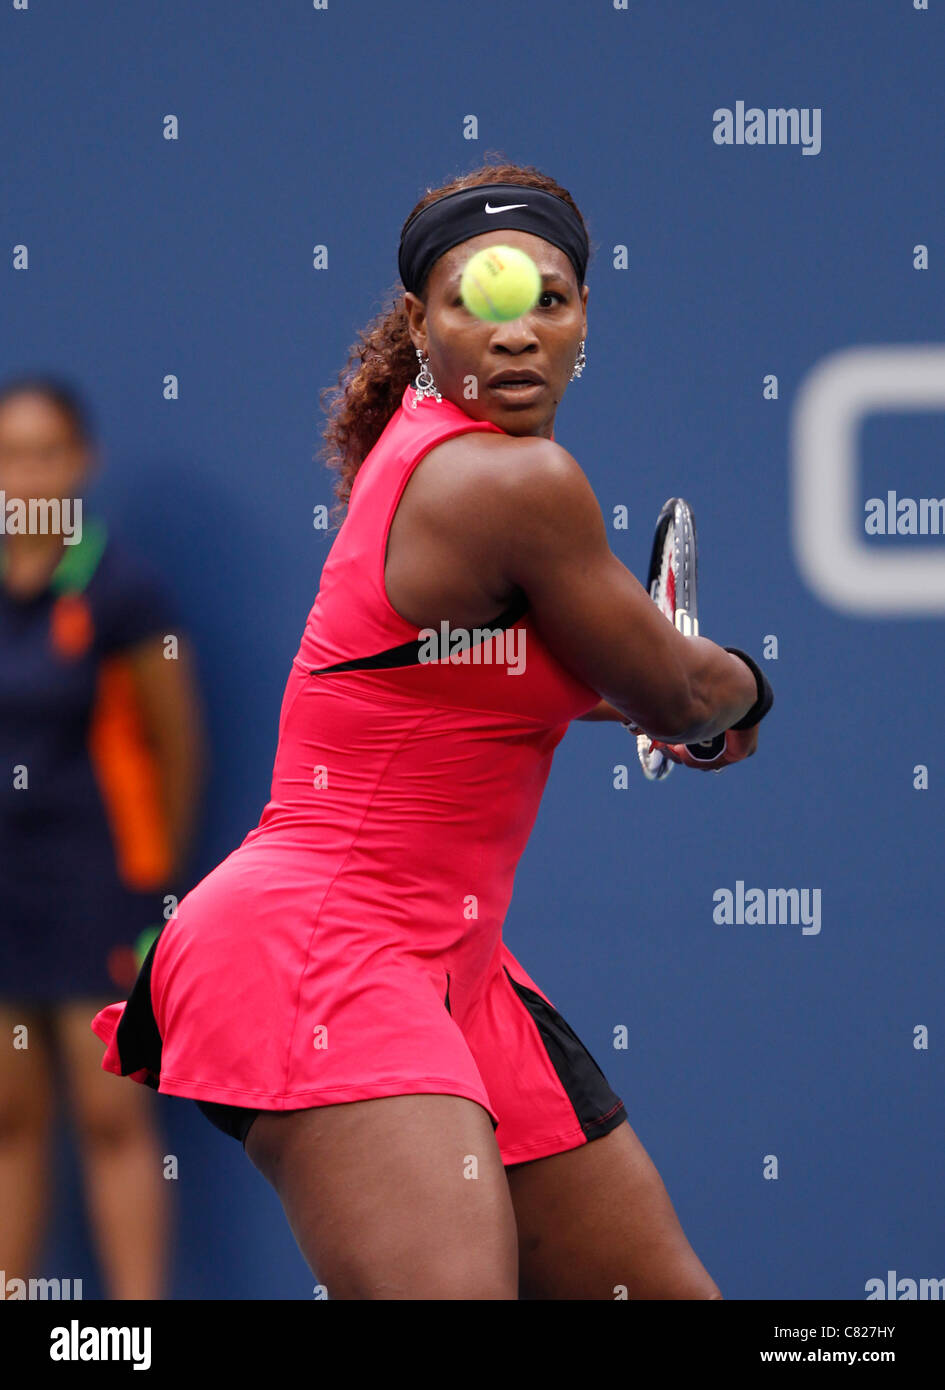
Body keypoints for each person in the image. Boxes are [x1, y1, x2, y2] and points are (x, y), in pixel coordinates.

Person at [90, 160, 773, 1300]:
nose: (517, 336)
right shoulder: (513, 484)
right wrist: (743, 687)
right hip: (318, 950)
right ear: (421, 322)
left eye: (547, 301)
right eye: (479, 304)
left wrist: (650, 692)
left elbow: (504, 680)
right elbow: (680, 693)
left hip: (447, 965)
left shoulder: (420, 452)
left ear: (584, 317)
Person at [0, 376, 206, 1298]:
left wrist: (149, 896)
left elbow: (176, 750)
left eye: (45, 451)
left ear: (81, 463)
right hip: (4, 890)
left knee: (109, 1113)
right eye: (9, 453)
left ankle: (131, 1338)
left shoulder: (124, 591)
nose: (26, 472)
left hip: (95, 888)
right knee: (7, 1115)